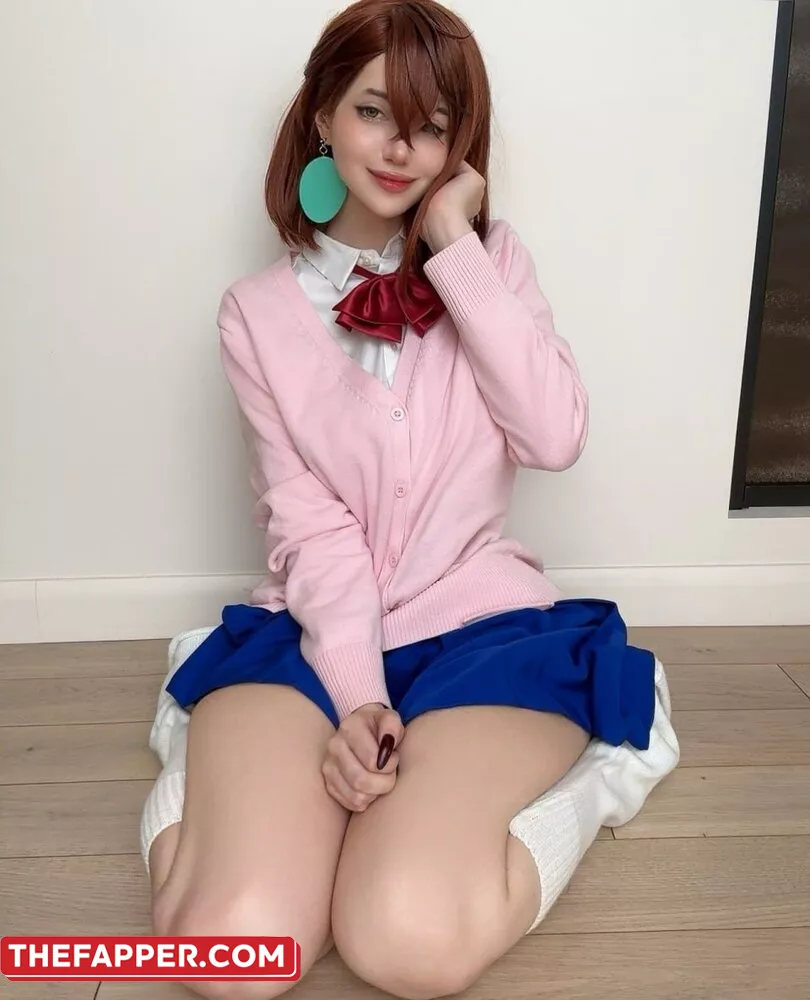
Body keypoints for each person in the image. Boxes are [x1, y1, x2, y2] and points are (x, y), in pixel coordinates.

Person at [140, 2, 680, 998]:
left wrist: (452, 243)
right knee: (236, 951)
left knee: (404, 935)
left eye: (431, 126)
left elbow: (554, 435)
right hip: (313, 632)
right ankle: (212, 775)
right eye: (373, 112)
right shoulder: (255, 316)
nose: (400, 148)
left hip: (482, 629)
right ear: (321, 115)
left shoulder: (492, 265)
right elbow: (311, 524)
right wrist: (358, 693)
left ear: (456, 145)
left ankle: (596, 781)